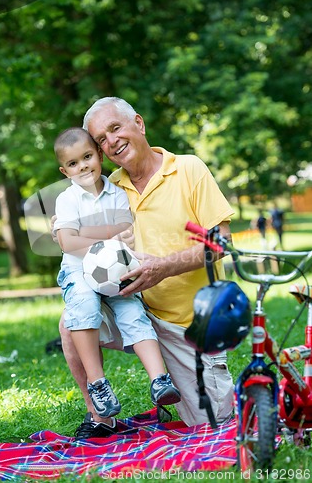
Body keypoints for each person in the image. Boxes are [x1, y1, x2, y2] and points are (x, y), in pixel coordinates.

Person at [57, 97, 235, 439]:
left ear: (138, 123)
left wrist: (163, 268)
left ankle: (177, 381)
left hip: (190, 324)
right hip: (134, 310)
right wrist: (60, 228)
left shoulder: (188, 169)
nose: (111, 141)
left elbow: (222, 243)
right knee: (72, 322)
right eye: (101, 139)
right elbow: (69, 216)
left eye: (115, 128)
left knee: (214, 425)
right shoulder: (108, 186)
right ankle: (100, 414)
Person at [53, 127, 181, 429]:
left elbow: (125, 229)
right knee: (83, 306)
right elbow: (68, 244)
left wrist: (82, 232)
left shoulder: (116, 193)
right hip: (78, 267)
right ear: (64, 170)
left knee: (132, 311)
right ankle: (99, 385)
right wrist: (106, 233)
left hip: (114, 264)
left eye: (86, 157)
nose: (82, 166)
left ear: (99, 154)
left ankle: (159, 380)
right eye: (73, 164)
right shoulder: (67, 199)